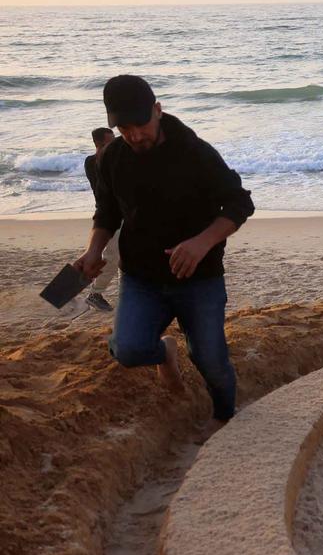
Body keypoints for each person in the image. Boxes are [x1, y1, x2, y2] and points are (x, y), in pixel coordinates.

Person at [72, 75, 255, 429]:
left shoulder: (196, 153)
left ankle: (223, 417)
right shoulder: (113, 157)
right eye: (124, 128)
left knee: (210, 360)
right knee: (127, 350)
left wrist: (202, 242)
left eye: (141, 124)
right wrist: (93, 250)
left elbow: (240, 203)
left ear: (158, 110)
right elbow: (107, 211)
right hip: (142, 278)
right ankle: (165, 353)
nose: (135, 135)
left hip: (198, 278)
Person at [83, 127, 118, 311]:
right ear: (98, 144)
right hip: (110, 219)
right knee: (112, 257)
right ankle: (95, 293)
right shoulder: (94, 163)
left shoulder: (105, 160)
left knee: (123, 257)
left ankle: (126, 297)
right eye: (110, 143)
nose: (115, 146)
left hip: (118, 216)